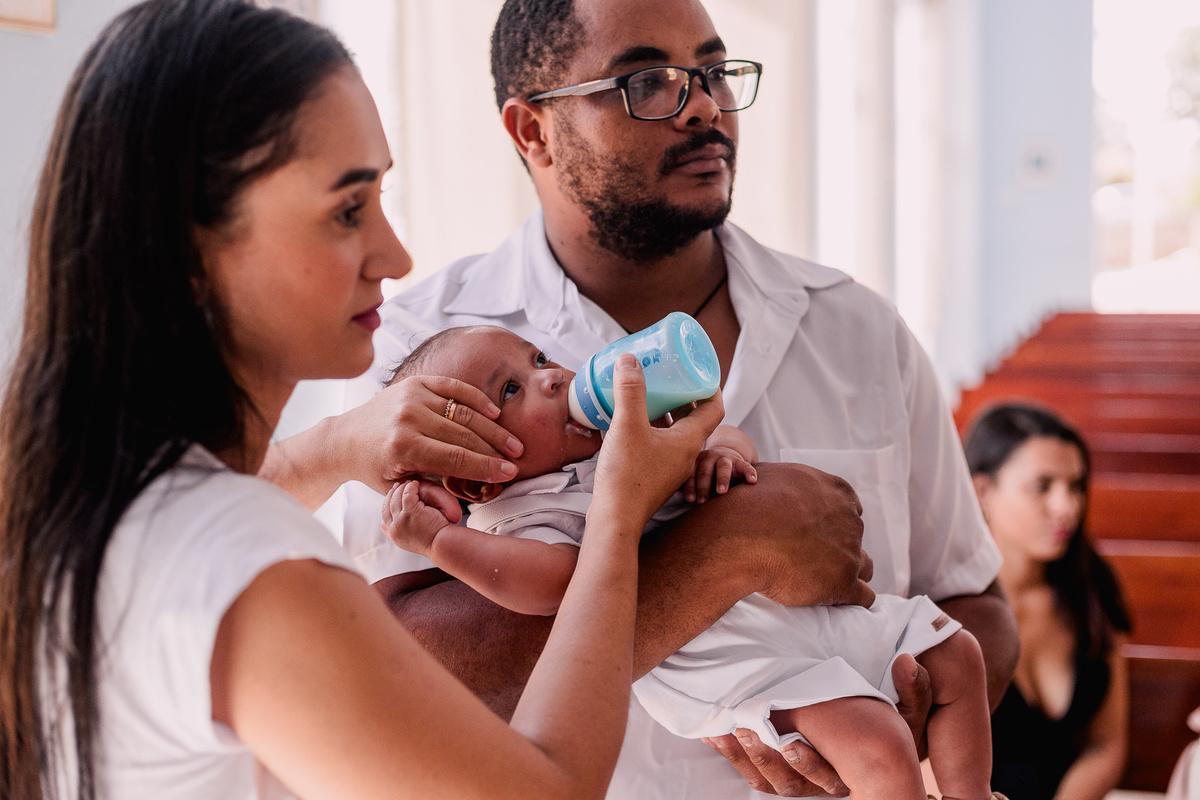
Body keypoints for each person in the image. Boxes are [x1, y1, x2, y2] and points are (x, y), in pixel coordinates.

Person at [266, 0, 1019, 796]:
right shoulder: (422, 358)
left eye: (713, 72)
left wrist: (909, 717)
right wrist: (725, 549)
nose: (703, 105)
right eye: (646, 81)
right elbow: (404, 673)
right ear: (533, 132)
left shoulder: (861, 330)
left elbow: (977, 603)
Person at [0, 1, 728, 798]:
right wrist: (622, 513)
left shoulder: (101, 508)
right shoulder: (249, 570)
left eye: (383, 196)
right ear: (190, 248)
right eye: (349, 209)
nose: (395, 253)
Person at [381, 324, 1001, 800]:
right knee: (881, 744)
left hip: (798, 617)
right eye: (511, 390)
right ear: (480, 481)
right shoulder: (516, 516)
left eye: (538, 359)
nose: (551, 377)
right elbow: (557, 584)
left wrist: (724, 455)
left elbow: (721, 435)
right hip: (729, 663)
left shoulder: (624, 428)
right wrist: (442, 544)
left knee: (958, 654)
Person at [964, 403, 1132, 800]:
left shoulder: (1092, 584)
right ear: (982, 490)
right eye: (1043, 486)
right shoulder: (945, 603)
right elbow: (922, 762)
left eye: (1075, 486)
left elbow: (1105, 744)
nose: (1068, 507)